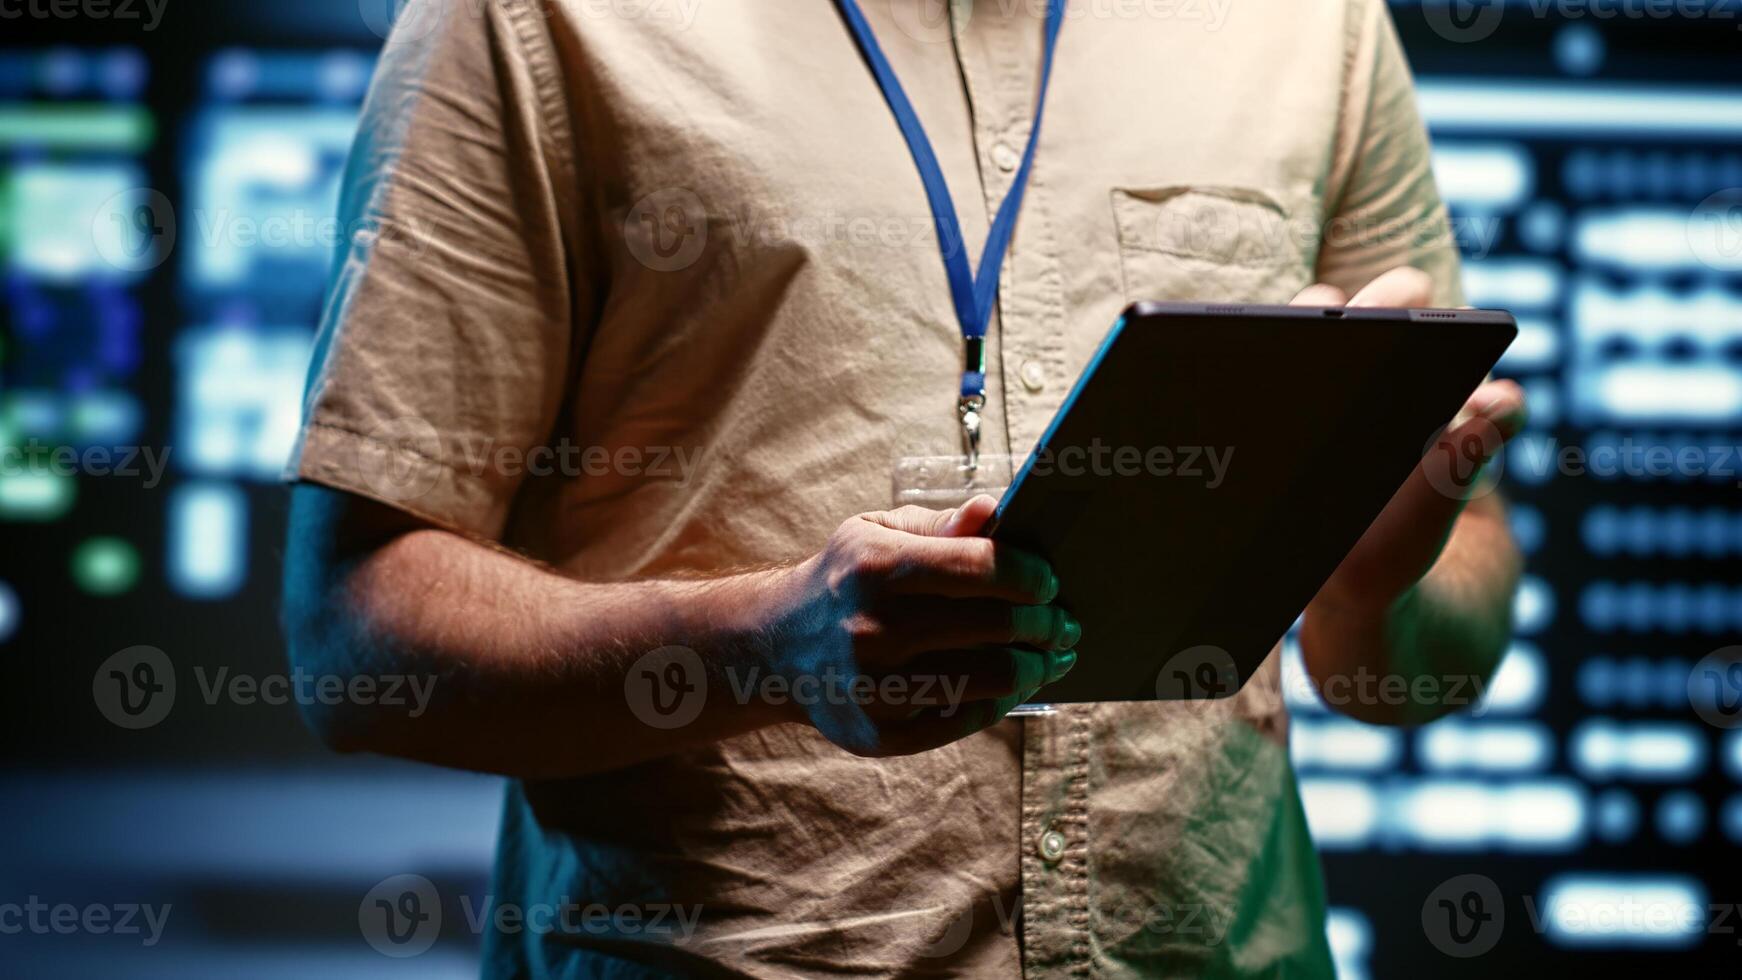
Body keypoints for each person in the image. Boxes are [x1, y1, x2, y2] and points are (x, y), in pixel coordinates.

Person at [282, 0, 1526, 975]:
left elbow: (1416, 655)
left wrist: (1369, 578)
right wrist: (765, 648)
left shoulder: (1312, 22)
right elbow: (351, 634)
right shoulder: (529, 16)